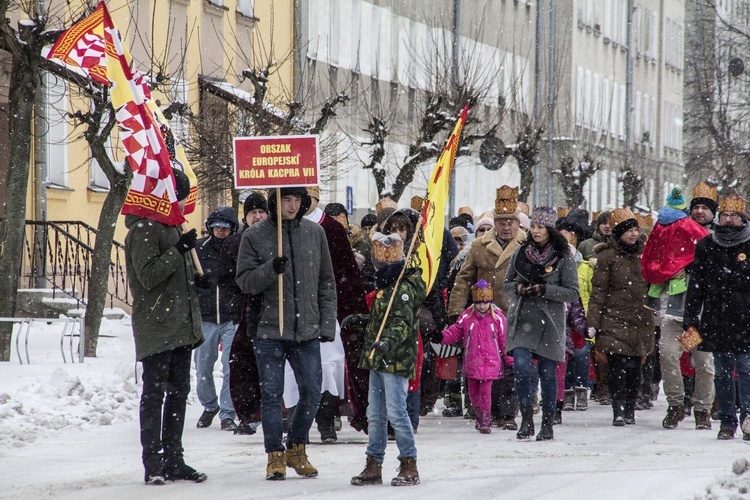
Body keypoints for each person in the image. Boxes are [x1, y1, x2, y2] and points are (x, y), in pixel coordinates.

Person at [235, 186, 337, 480]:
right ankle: (274, 455)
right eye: (286, 200)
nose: (292, 206)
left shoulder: (315, 234)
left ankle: (296, 447)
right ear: (275, 201)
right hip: (269, 330)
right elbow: (244, 282)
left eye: (297, 200)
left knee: (311, 391)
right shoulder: (254, 236)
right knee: (271, 395)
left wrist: (326, 324)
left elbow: (326, 283)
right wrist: (270, 269)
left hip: (306, 330)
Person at [124, 168, 206, 485]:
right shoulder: (144, 229)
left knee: (178, 393)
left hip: (181, 327)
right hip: (157, 327)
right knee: (155, 395)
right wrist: (179, 251)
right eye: (178, 198)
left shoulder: (172, 226)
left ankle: (174, 459)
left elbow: (174, 279)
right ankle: (153, 462)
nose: (181, 205)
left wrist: (197, 279)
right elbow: (148, 277)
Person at [349, 232, 425, 487]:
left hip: (394, 359)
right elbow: (380, 321)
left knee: (396, 412)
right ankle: (374, 463)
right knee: (375, 413)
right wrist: (360, 321)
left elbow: (401, 324)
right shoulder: (384, 287)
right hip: (377, 359)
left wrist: (387, 343)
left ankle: (409, 463)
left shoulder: (402, 288)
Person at [448, 186, 526, 430]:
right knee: (483, 365)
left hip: (516, 315)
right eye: (501, 222)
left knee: (511, 365)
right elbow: (464, 278)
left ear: (517, 223)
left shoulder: (526, 245)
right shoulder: (481, 246)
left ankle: (508, 413)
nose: (506, 227)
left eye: (511, 222)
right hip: (485, 316)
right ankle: (484, 409)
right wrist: (456, 311)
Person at [503, 206, 580, 441]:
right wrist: (518, 288)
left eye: (541, 227)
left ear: (550, 230)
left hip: (550, 322)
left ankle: (547, 423)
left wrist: (545, 289)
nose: (536, 232)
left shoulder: (563, 256)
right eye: (533, 226)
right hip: (523, 318)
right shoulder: (520, 253)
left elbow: (572, 293)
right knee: (521, 367)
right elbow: (506, 284)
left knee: (547, 373)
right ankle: (526, 418)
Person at [641, 187, 712, 430]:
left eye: (705, 208)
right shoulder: (675, 232)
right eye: (696, 208)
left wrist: (691, 268)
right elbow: (657, 259)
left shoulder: (714, 238)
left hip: (700, 316)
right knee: (668, 354)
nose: (700, 212)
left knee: (703, 362)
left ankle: (702, 409)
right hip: (675, 312)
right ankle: (676, 404)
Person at [304, 186, 369, 442]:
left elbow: (346, 272)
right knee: (298, 370)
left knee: (328, 367)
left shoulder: (330, 228)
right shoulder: (283, 228)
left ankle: (327, 419)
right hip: (297, 310)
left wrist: (348, 308)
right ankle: (298, 421)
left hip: (327, 310)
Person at [684, 194, 750, 440]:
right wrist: (690, 318)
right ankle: (726, 421)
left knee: (746, 368)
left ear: (742, 219)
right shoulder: (706, 245)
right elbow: (697, 285)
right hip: (717, 317)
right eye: (725, 216)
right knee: (722, 371)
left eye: (733, 216)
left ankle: (748, 417)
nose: (729, 220)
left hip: (745, 318)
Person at [588, 208, 654, 427]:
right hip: (614, 319)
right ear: (618, 233)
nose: (633, 234)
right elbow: (598, 292)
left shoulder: (645, 255)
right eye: (628, 230)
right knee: (617, 366)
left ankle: (630, 407)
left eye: (635, 229)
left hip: (640, 318)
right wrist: (593, 323)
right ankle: (618, 408)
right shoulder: (607, 257)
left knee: (635, 367)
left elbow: (654, 284)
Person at [218, 192, 267, 436]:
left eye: (261, 212)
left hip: (273, 313)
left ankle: (279, 414)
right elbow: (226, 282)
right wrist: (238, 309)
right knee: (244, 368)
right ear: (245, 217)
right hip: (245, 315)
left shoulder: (275, 238)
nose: (257, 217)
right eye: (252, 213)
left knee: (274, 368)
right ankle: (248, 416)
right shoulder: (234, 243)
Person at [432, 280, 510, 434]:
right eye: (479, 303)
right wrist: (440, 337)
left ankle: (485, 420)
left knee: (486, 394)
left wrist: (509, 359)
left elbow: (504, 342)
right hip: (472, 363)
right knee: (474, 395)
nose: (482, 306)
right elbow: (455, 332)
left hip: (490, 363)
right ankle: (479, 414)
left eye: (485, 303)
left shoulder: (498, 319)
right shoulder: (467, 317)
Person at [193, 206, 241, 432]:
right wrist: (196, 283)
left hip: (232, 318)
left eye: (225, 227)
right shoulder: (198, 250)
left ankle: (228, 412)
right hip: (206, 317)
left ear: (233, 228)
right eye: (217, 226)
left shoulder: (240, 248)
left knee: (231, 367)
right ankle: (209, 405)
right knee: (203, 367)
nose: (221, 231)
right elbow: (188, 277)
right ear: (210, 227)